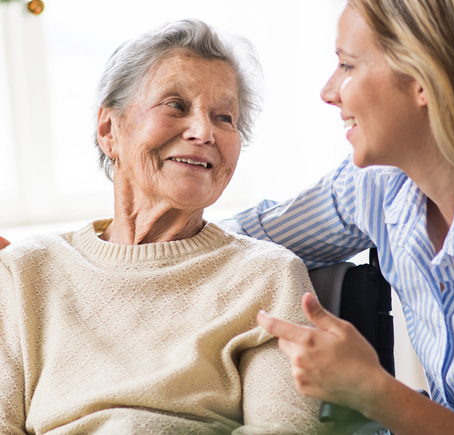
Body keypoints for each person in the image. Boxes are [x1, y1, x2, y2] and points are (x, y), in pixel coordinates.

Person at [223, 1, 454, 434]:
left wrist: (374, 392)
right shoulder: (380, 185)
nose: (328, 91)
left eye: (347, 66)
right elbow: (247, 237)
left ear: (422, 81)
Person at [0, 19, 328, 434]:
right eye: (175, 105)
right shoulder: (23, 273)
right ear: (109, 131)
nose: (203, 131)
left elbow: (282, 431)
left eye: (224, 117)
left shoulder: (269, 277)